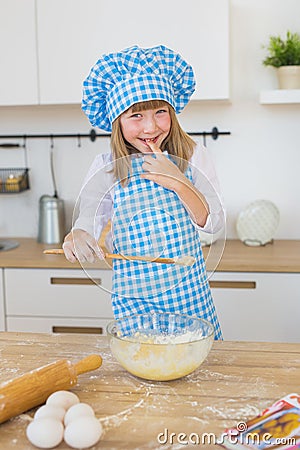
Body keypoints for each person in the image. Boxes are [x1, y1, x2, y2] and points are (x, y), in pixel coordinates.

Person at [63, 45, 225, 340]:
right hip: (133, 302)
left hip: (189, 296)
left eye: (160, 112)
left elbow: (213, 223)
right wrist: (78, 234)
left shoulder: (194, 157)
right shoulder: (106, 167)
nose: (150, 126)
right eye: (136, 116)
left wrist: (177, 180)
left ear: (172, 113)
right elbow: (89, 219)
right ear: (117, 122)